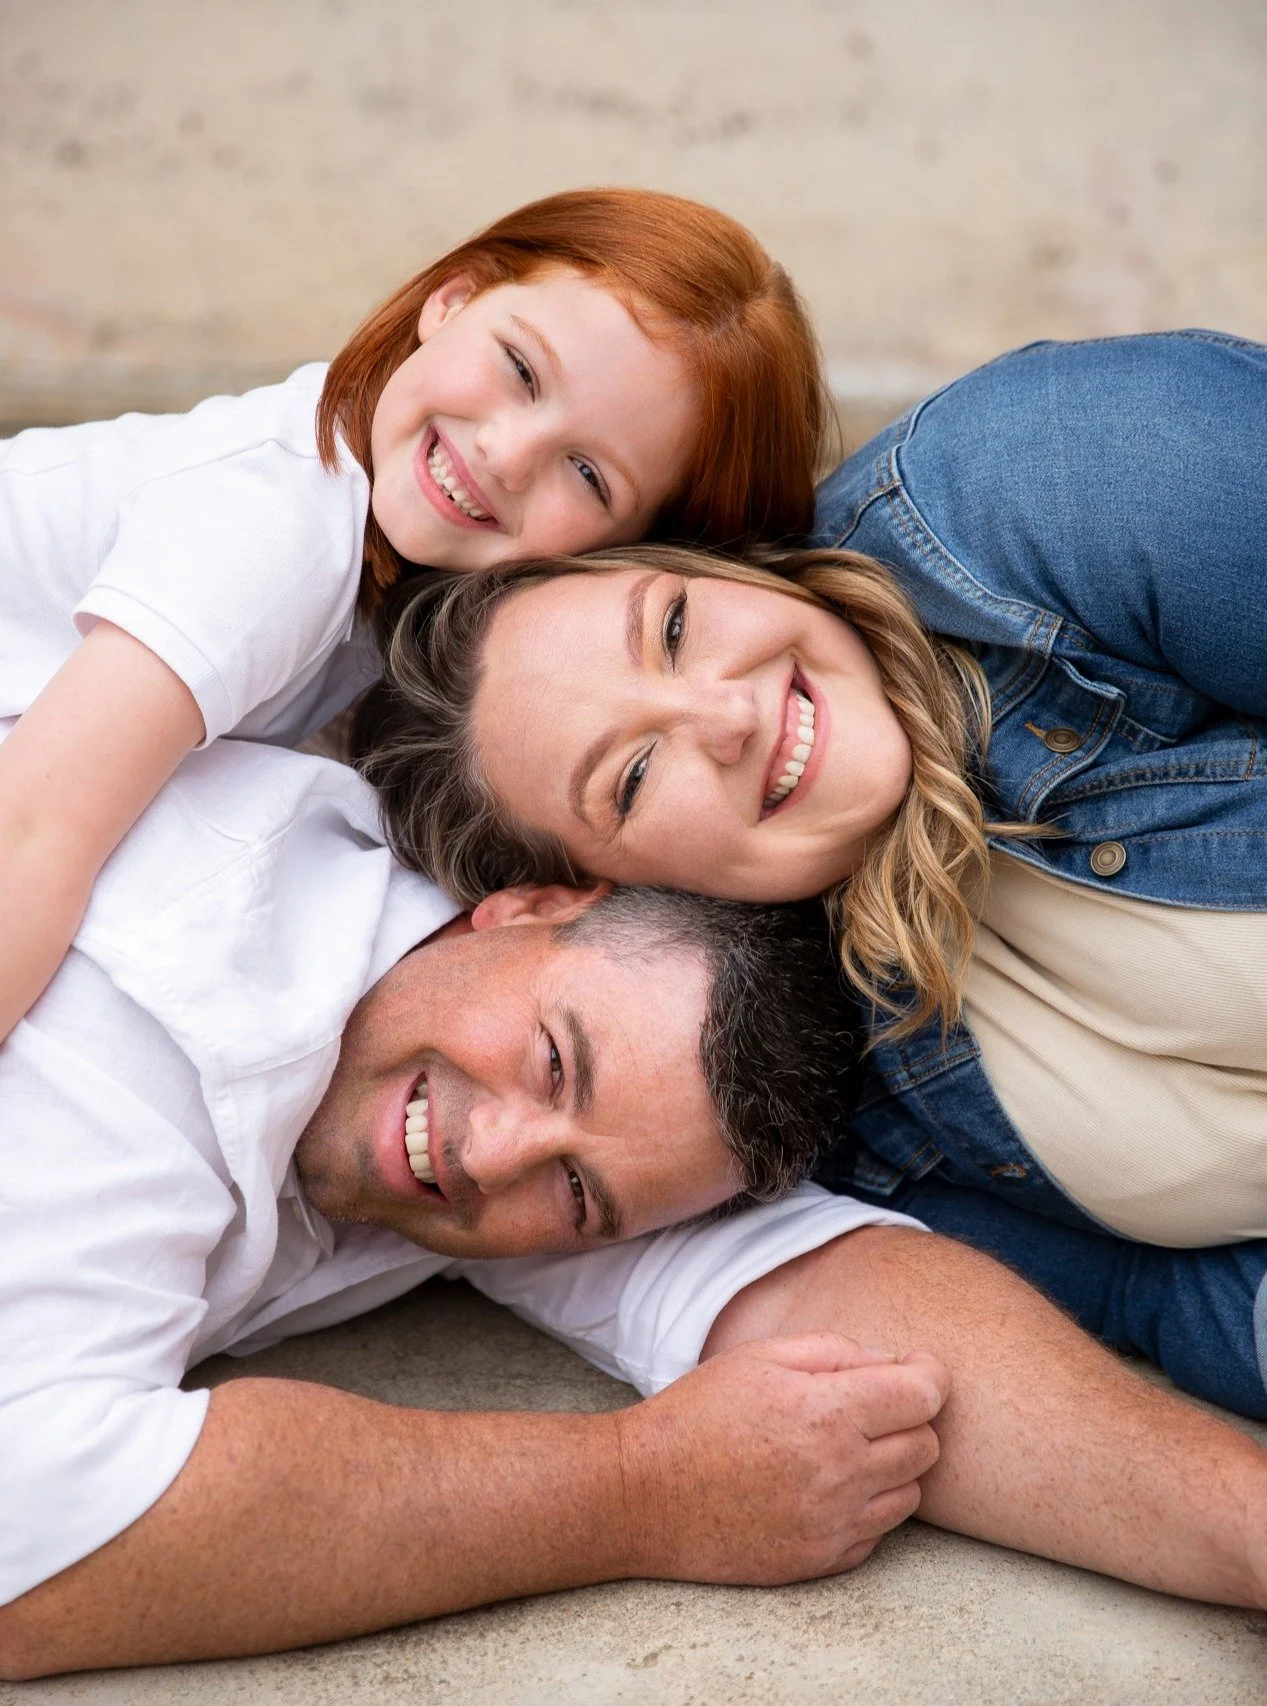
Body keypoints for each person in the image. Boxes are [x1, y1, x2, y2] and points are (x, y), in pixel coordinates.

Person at [2, 735, 1264, 1678]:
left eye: (579, 1197)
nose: (491, 1154)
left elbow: (846, 1309)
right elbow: (32, 1532)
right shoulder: (152, 1025)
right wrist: (638, 1485)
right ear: (532, 904)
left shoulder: (450, 1050)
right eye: (556, 1058)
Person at [349, 329, 1267, 1417]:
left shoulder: (1044, 481)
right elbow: (1158, 1298)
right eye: (634, 776)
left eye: (675, 625)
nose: (729, 713)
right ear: (606, 885)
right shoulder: (836, 1101)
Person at [0, 185, 829, 1048]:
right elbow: (31, 834)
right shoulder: (274, 528)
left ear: (625, 550)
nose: (505, 455)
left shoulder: (394, 566)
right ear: (453, 298)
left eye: (587, 474)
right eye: (521, 370)